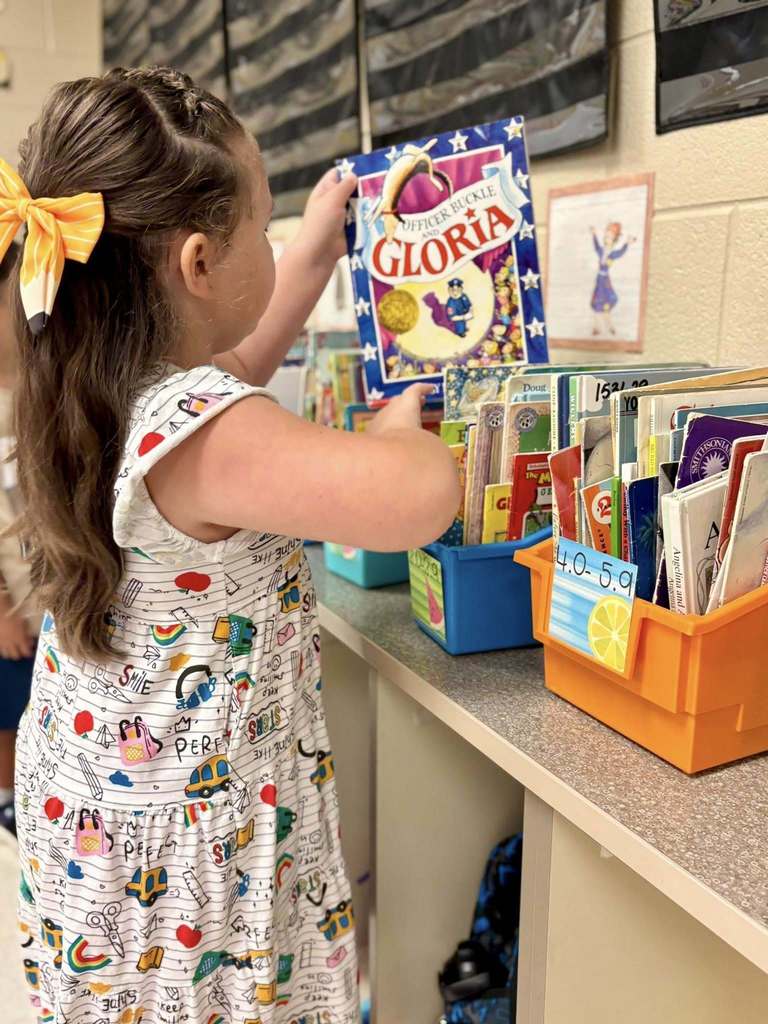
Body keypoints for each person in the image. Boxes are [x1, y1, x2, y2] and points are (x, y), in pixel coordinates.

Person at [4, 68, 460, 1023]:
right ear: (200, 264)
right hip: (186, 864)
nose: (275, 241)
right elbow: (418, 501)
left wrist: (312, 260)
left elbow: (239, 361)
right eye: (264, 224)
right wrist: (394, 433)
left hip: (100, 819)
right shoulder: (207, 428)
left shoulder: (102, 383)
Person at [0, 241, 39, 835]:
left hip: (54, 592)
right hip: (14, 599)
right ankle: (8, 796)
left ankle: (28, 792)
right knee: (9, 705)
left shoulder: (39, 381)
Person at [590, 222, 635, 336]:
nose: (607, 238)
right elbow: (596, 246)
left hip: (605, 281)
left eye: (610, 237)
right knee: (596, 305)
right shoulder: (601, 251)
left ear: (614, 239)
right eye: (606, 236)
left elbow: (620, 252)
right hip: (599, 280)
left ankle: (610, 327)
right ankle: (596, 327)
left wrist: (626, 244)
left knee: (606, 307)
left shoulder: (613, 254)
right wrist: (594, 235)